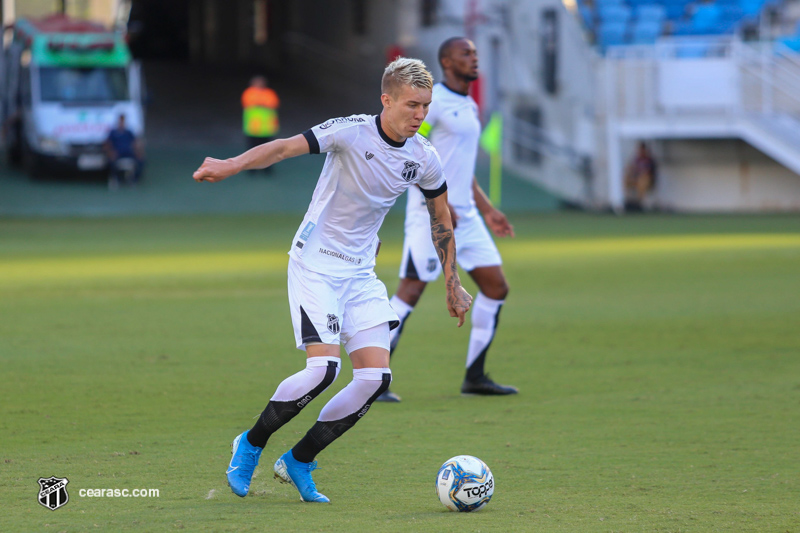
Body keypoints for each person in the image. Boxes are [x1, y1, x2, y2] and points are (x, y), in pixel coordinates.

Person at [193, 57, 472, 503]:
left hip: (360, 272)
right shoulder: (351, 131)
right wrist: (231, 163)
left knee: (375, 378)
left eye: (426, 106)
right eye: (412, 105)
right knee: (324, 370)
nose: (420, 115)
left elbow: (442, 217)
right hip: (316, 264)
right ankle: (250, 444)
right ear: (387, 100)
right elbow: (282, 147)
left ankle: (299, 461)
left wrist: (452, 283)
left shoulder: (424, 156)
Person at [377, 37, 517, 402]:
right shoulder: (431, 103)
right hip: (431, 215)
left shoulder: (469, 104)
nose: (474, 58)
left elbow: (459, 166)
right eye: (465, 53)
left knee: (496, 287)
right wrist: (435, 201)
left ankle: (475, 376)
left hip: (467, 216)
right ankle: (374, 378)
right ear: (446, 61)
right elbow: (413, 153)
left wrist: (487, 208)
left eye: (475, 52)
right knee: (411, 290)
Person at [241, 76, 280, 173]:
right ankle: (251, 169)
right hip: (253, 128)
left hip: (266, 128)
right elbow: (248, 103)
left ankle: (267, 169)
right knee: (251, 150)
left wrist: (259, 103)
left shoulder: (269, 93)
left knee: (268, 150)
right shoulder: (249, 93)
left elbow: (273, 103)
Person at [104, 114, 143, 186]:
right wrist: (111, 152)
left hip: (128, 153)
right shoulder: (113, 132)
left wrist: (137, 151)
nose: (121, 123)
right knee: (111, 162)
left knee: (141, 161)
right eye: (120, 121)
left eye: (123, 121)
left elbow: (135, 142)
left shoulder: (128, 132)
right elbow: (107, 144)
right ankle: (116, 178)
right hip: (117, 153)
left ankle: (134, 179)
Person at [624, 141, 657, 210]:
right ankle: (628, 200)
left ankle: (639, 203)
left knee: (643, 180)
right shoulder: (637, 160)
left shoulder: (649, 160)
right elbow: (632, 169)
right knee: (627, 178)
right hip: (637, 179)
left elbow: (648, 172)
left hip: (647, 181)